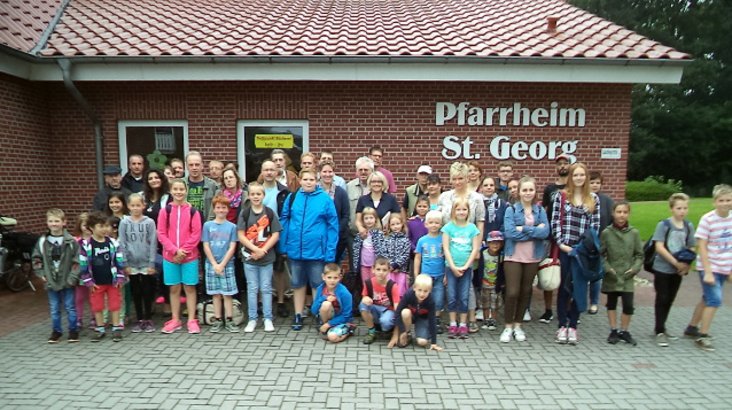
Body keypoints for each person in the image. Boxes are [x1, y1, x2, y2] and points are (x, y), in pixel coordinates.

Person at [279, 169, 339, 331]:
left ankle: (319, 313)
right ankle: (298, 314)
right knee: (297, 284)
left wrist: (330, 251)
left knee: (317, 284)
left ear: (316, 181)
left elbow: (333, 226)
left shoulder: (325, 199)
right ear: (300, 180)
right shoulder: (292, 198)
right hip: (295, 250)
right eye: (305, 179)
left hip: (316, 251)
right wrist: (283, 245)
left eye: (312, 179)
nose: (308, 182)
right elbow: (284, 220)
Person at [551, 162, 600, 345]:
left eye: (582, 175)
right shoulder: (561, 196)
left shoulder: (593, 198)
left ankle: (573, 325)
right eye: (575, 175)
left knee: (579, 288)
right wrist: (561, 244)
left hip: (583, 252)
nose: (579, 178)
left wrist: (584, 248)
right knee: (564, 288)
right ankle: (562, 325)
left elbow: (595, 226)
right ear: (570, 177)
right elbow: (555, 222)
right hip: (566, 249)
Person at [501, 176, 550, 343]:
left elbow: (545, 232)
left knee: (525, 292)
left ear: (535, 191)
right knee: (512, 292)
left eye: (531, 190)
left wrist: (523, 228)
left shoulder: (540, 211)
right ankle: (508, 326)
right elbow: (510, 233)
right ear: (519, 192)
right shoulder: (511, 210)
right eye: (525, 190)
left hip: (532, 256)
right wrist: (534, 230)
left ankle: (518, 325)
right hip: (513, 256)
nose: (528, 193)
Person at [684, 184, 732, 352]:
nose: (725, 203)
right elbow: (702, 246)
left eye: (728, 200)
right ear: (714, 202)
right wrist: (708, 272)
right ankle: (703, 336)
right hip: (709, 266)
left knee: (707, 298)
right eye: (721, 200)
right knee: (715, 300)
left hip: (725, 265)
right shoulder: (708, 219)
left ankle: (692, 327)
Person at [438, 162, 485, 331]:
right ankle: (450, 318)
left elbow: (480, 223)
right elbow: (438, 218)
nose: (457, 182)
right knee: (448, 281)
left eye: (461, 178)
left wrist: (477, 248)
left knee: (467, 283)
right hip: (447, 244)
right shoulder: (445, 197)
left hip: (467, 246)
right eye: (454, 179)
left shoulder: (476, 198)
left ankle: (469, 318)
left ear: (467, 178)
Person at [157, 178, 203, 334]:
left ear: (186, 191)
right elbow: (161, 233)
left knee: (189, 287)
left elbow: (196, 234)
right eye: (175, 189)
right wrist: (174, 251)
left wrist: (183, 251)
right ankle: (175, 319)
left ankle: (191, 320)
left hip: (189, 257)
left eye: (181, 189)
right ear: (171, 191)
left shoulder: (193, 211)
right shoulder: (165, 211)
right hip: (170, 257)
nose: (178, 192)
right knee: (174, 288)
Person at [651, 193, 695, 347]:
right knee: (662, 297)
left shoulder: (688, 226)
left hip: (678, 270)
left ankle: (663, 326)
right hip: (662, 268)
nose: (682, 211)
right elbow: (659, 246)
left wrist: (686, 264)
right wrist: (675, 262)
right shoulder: (664, 225)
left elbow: (691, 246)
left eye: (685, 208)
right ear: (672, 209)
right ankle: (659, 330)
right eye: (679, 208)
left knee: (670, 298)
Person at [32, 208, 81, 343]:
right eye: (51, 221)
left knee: (70, 306)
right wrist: (41, 274)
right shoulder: (42, 241)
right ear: (47, 223)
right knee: (54, 308)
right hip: (51, 280)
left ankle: (73, 330)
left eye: (57, 221)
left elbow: (77, 261)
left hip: (67, 279)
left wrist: (72, 278)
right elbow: (36, 259)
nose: (54, 224)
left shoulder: (71, 241)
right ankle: (56, 331)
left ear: (64, 222)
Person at [238, 183, 282, 333]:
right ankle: (252, 319)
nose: (256, 197)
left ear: (263, 195)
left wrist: (263, 250)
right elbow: (241, 235)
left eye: (258, 194)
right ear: (249, 196)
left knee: (266, 288)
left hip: (266, 258)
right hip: (249, 257)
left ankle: (267, 318)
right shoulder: (245, 213)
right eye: (253, 194)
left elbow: (275, 234)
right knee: (252, 288)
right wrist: (255, 249)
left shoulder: (269, 213)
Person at [79, 211, 127, 342]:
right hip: (96, 282)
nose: (105, 229)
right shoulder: (86, 245)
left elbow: (119, 261)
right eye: (101, 226)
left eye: (106, 226)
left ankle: (116, 328)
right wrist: (88, 281)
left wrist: (120, 277)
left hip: (112, 281)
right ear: (92, 228)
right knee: (97, 306)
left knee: (115, 304)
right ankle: (100, 329)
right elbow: (83, 264)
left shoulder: (113, 243)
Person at [601, 201, 643, 346]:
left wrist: (635, 268)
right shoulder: (607, 233)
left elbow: (639, 254)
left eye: (625, 212)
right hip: (612, 274)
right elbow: (601, 254)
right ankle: (613, 330)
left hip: (627, 275)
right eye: (619, 212)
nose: (622, 215)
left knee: (628, 305)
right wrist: (607, 268)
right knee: (611, 303)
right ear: (613, 213)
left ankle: (624, 331)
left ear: (628, 214)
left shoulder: (634, 233)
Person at [538, 153, 572, 324]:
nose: (562, 166)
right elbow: (544, 209)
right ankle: (548, 310)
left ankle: (566, 309)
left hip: (569, 236)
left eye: (565, 163)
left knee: (567, 274)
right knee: (549, 270)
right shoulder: (550, 189)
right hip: (551, 236)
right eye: (559, 164)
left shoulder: (574, 188)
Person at [442, 198, 481, 339]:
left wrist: (466, 265)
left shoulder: (472, 228)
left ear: (468, 211)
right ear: (453, 211)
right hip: (451, 268)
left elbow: (475, 248)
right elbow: (446, 248)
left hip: (466, 268)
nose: (461, 212)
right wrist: (452, 266)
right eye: (458, 209)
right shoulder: (448, 228)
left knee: (464, 296)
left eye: (464, 209)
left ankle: (463, 324)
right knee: (452, 295)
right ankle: (453, 323)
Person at [119, 194, 158, 333]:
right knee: (135, 291)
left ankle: (148, 318)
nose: (135, 208)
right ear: (128, 206)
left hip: (146, 262)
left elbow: (153, 243)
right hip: (131, 263)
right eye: (133, 205)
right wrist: (125, 263)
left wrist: (152, 263)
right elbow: (122, 242)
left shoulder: (149, 222)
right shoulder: (124, 222)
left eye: (138, 205)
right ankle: (139, 318)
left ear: (143, 206)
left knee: (147, 290)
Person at [202, 195, 240, 333]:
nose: (221, 210)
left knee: (227, 294)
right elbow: (206, 245)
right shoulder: (207, 225)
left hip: (227, 265)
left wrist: (222, 264)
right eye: (218, 207)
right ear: (214, 209)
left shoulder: (232, 227)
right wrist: (214, 264)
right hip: (211, 264)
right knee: (215, 294)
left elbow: (232, 247)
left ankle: (229, 319)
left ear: (228, 209)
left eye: (224, 207)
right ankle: (217, 319)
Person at [259, 160, 291, 318]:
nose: (269, 172)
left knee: (279, 269)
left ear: (277, 172)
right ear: (262, 172)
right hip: (258, 234)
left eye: (272, 170)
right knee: (260, 267)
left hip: (278, 233)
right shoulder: (256, 190)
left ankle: (280, 301)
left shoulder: (284, 191)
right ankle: (260, 301)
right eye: (266, 170)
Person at [391, 274, 443, 351]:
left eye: (425, 291)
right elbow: (398, 312)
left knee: (422, 342)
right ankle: (407, 333)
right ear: (414, 288)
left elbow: (432, 320)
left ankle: (424, 333)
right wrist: (402, 330)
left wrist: (433, 343)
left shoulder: (431, 301)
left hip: (422, 319)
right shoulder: (408, 295)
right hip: (411, 316)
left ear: (430, 291)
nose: (422, 294)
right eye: (419, 290)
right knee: (405, 312)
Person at [414, 210, 446, 333]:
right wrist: (416, 274)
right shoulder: (422, 240)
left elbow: (447, 258)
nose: (434, 225)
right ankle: (425, 319)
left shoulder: (444, 239)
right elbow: (418, 257)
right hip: (425, 276)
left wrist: (447, 274)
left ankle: (436, 320)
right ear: (426, 224)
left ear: (441, 224)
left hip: (440, 274)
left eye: (437, 223)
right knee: (424, 298)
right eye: (431, 222)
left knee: (438, 298)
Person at [588, 171, 615, 315]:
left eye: (597, 183)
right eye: (592, 182)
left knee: (596, 274)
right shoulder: (582, 199)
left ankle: (594, 302)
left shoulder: (607, 202)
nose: (595, 185)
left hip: (599, 243)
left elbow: (612, 222)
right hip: (583, 243)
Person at [360, 257, 400, 344]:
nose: (381, 272)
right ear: (373, 269)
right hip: (375, 309)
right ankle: (372, 332)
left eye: (384, 270)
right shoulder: (368, 283)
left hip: (388, 310)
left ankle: (388, 330)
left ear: (389, 271)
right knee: (362, 305)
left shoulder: (392, 286)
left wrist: (397, 332)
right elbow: (364, 297)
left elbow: (397, 307)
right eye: (378, 269)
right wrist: (365, 298)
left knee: (385, 322)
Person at [311, 263, 354, 343]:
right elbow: (313, 310)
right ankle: (325, 327)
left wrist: (329, 324)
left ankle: (348, 329)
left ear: (340, 277)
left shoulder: (344, 293)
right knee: (326, 304)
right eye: (329, 277)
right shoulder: (320, 289)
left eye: (335, 278)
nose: (332, 280)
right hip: (328, 318)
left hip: (342, 320)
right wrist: (324, 298)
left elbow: (347, 315)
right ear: (323, 277)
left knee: (332, 337)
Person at [317, 161, 350, 264]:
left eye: (330, 171)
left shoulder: (341, 192)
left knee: (334, 268)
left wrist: (335, 231)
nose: (327, 174)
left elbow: (345, 215)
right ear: (319, 173)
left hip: (337, 239)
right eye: (324, 172)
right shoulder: (314, 191)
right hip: (318, 238)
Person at [346, 156, 374, 271]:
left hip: (373, 236)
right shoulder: (349, 187)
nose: (363, 172)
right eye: (360, 169)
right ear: (356, 171)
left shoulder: (376, 186)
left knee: (372, 267)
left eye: (366, 170)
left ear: (372, 171)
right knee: (355, 267)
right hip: (353, 234)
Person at [374, 213, 411, 298]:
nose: (395, 226)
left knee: (400, 292)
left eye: (397, 224)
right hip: (389, 271)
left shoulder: (405, 240)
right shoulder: (386, 239)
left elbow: (405, 255)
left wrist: (396, 265)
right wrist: (390, 266)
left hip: (401, 270)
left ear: (402, 224)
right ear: (389, 226)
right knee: (389, 291)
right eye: (393, 224)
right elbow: (384, 253)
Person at [71, 212, 93, 329]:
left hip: (93, 273)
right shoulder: (75, 241)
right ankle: (78, 318)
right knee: (79, 297)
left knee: (93, 297)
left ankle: (95, 317)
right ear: (80, 226)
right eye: (84, 225)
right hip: (80, 273)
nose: (87, 228)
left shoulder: (96, 240)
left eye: (90, 225)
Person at [480, 231, 503, 331]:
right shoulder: (483, 253)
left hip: (495, 284)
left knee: (495, 304)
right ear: (488, 243)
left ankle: (493, 320)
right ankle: (486, 319)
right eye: (493, 242)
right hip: (484, 283)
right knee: (484, 302)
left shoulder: (501, 256)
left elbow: (502, 270)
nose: (495, 245)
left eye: (498, 243)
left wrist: (502, 283)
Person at [185, 151, 218, 219]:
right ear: (186, 166)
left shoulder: (213, 185)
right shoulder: (180, 184)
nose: (194, 168)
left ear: (202, 165)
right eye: (191, 165)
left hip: (206, 223)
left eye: (197, 164)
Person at [352, 207, 382, 283]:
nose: (369, 220)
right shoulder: (360, 235)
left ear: (375, 219)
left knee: (374, 283)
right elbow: (356, 250)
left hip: (375, 265)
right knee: (365, 283)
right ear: (363, 220)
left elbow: (382, 250)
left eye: (371, 218)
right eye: (366, 218)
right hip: (363, 264)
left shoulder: (379, 234)